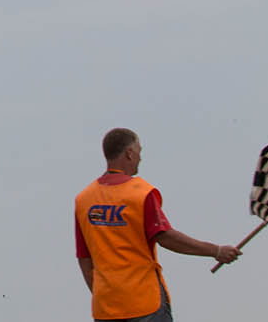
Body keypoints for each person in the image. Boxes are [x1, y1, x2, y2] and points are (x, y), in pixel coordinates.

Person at [74, 128, 242, 321]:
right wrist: (216, 251)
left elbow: (84, 256)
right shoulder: (140, 193)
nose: (140, 157)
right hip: (144, 303)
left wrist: (102, 295)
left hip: (106, 307)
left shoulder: (84, 199)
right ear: (129, 153)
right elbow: (165, 237)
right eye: (139, 151)